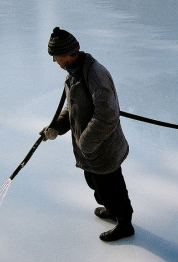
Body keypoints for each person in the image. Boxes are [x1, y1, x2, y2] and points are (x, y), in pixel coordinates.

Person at [41, 27, 134, 242]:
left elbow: (107, 116)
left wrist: (84, 143)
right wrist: (56, 127)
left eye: (56, 56)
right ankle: (111, 209)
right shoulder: (74, 74)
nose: (54, 61)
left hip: (103, 149)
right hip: (90, 151)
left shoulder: (95, 75)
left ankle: (125, 224)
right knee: (97, 186)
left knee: (113, 188)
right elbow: (72, 108)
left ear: (69, 53)